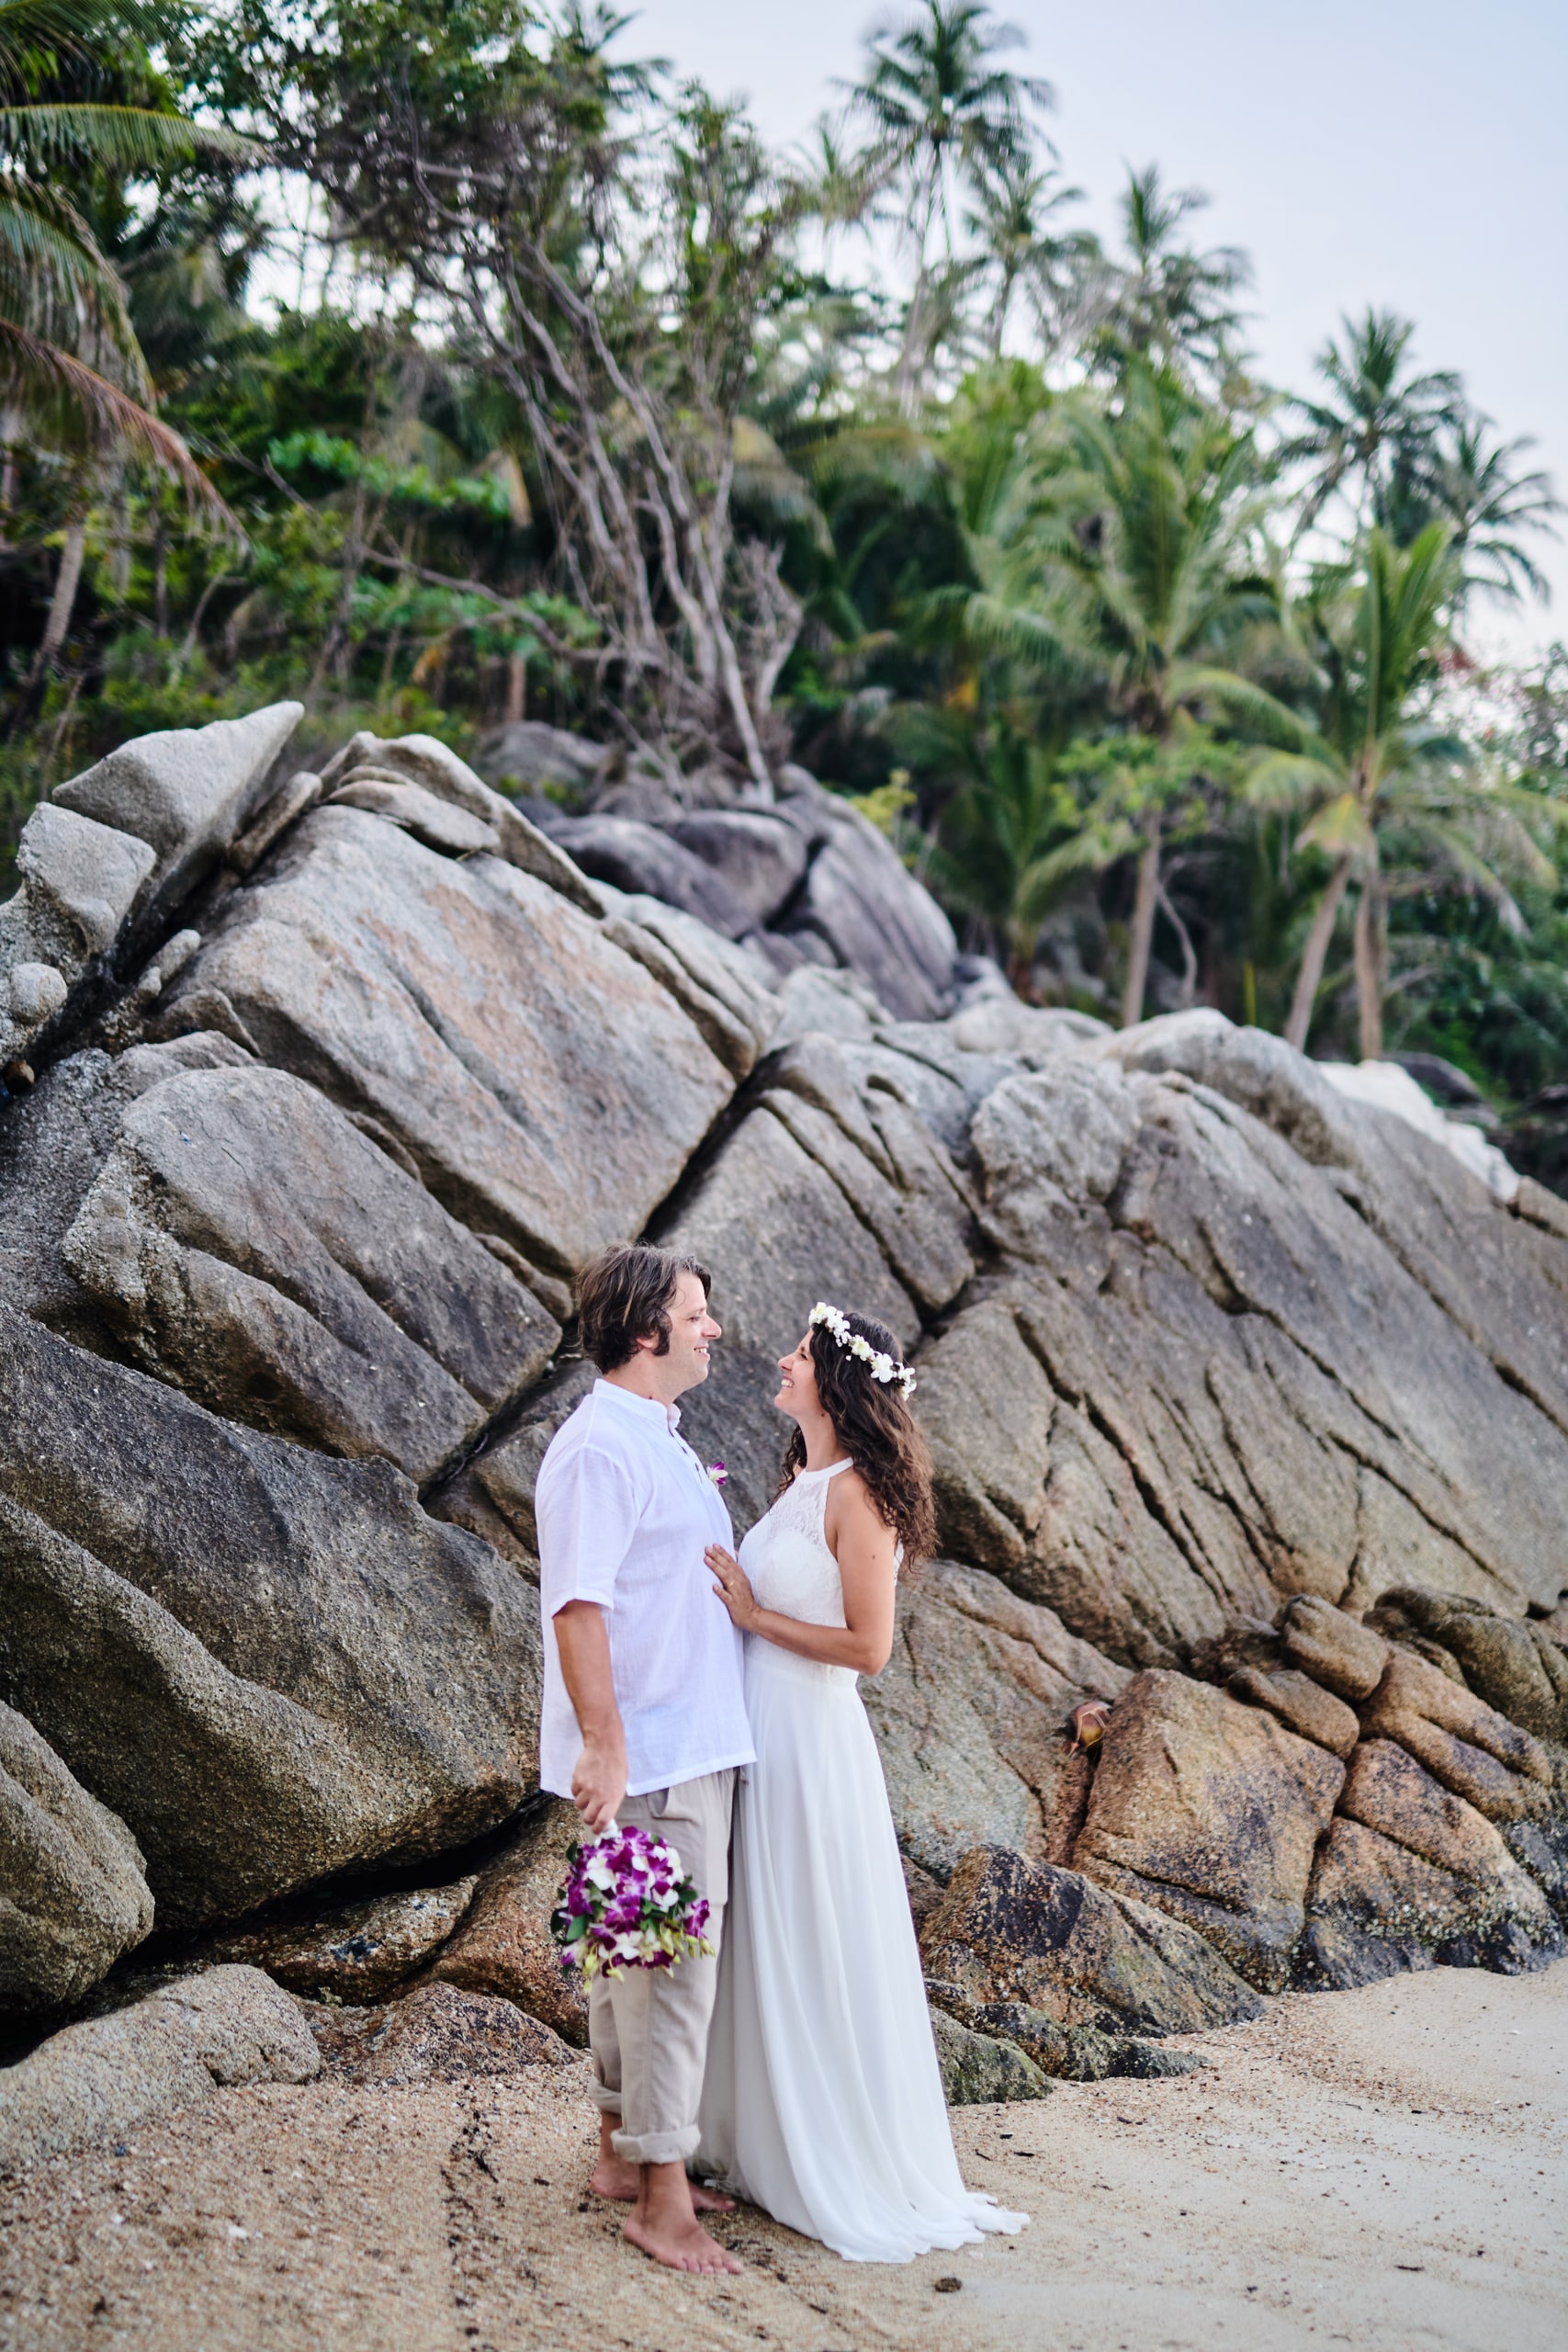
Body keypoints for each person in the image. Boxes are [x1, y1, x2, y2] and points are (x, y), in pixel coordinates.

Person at [698, 1302, 1029, 2263]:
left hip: (809, 1737)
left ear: (837, 1382)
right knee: (757, 1931)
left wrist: (755, 1619)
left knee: (804, 1928)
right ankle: (750, 2138)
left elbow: (869, 1648)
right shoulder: (799, 1482)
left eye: (801, 1354)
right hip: (758, 1724)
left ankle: (822, 2153)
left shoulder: (860, 1498)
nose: (783, 1360)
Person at [535, 1243, 754, 2277]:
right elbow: (576, 1605)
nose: (713, 1329)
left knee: (626, 1955)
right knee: (666, 1971)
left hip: (675, 1743)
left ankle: (619, 2155)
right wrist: (607, 1746)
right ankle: (664, 2203)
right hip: (654, 1759)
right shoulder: (598, 1448)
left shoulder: (653, 1435)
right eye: (696, 1313)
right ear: (643, 1328)